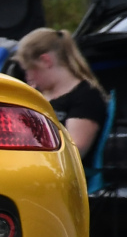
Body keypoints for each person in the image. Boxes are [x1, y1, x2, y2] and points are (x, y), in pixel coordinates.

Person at [13, 28, 107, 161]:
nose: (28, 77)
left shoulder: (86, 96)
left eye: (29, 70)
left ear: (46, 61)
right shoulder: (39, 94)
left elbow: (75, 151)